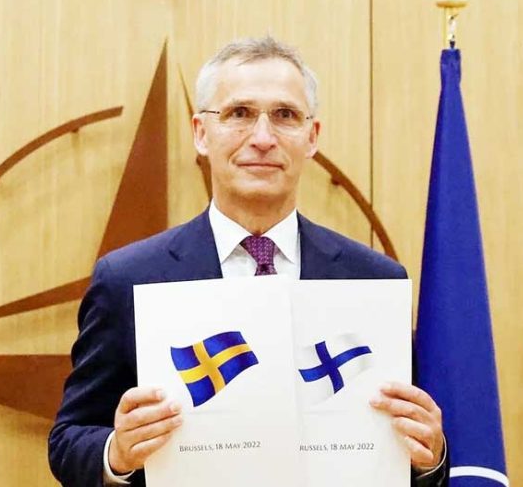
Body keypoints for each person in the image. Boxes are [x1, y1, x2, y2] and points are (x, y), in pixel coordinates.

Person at [48, 36, 448, 487]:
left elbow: (412, 454)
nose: (262, 138)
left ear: (312, 137)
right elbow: (68, 440)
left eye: (285, 116)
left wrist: (430, 456)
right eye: (238, 114)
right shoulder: (128, 279)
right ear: (201, 132)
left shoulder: (374, 282)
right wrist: (117, 453)